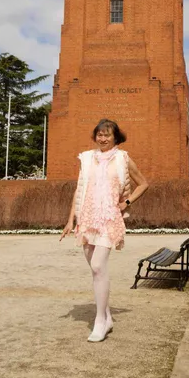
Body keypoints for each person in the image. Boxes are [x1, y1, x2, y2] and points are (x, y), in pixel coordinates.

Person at [60, 118, 148, 342]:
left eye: (107, 134)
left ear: (115, 137)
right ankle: (107, 316)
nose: (103, 138)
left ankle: (100, 321)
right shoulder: (87, 159)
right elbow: (79, 190)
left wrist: (126, 203)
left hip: (109, 217)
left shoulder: (123, 158)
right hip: (88, 218)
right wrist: (71, 219)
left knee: (98, 265)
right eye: (99, 134)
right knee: (95, 270)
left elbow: (143, 184)